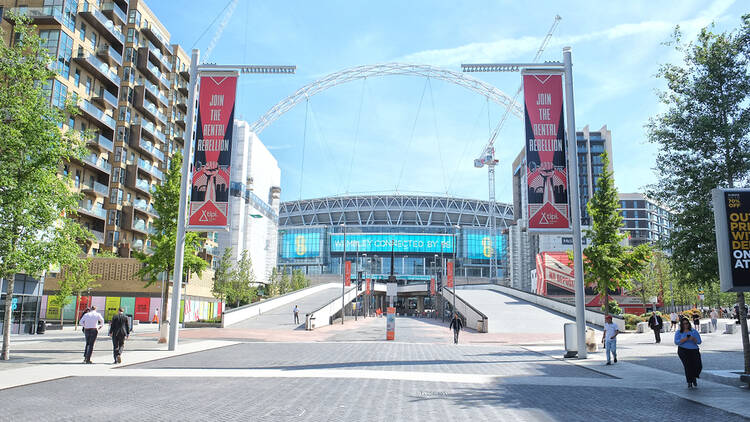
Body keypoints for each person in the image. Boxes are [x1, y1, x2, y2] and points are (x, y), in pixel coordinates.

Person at [675, 318, 703, 388]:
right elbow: (676, 342)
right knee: (688, 366)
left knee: (698, 365)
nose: (685, 325)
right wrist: (684, 339)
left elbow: (699, 341)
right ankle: (689, 382)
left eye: (687, 323)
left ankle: (694, 377)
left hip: (694, 350)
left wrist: (693, 339)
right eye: (684, 324)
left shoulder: (694, 331)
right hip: (683, 350)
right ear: (681, 325)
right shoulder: (679, 332)